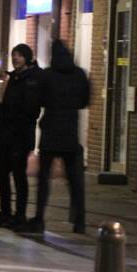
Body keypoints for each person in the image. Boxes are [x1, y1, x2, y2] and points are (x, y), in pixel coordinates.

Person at [18, 39, 89, 234]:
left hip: (50, 132)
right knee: (75, 180)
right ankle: (80, 221)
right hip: (70, 133)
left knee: (43, 180)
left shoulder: (47, 75)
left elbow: (37, 100)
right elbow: (84, 101)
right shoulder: (79, 75)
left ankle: (40, 218)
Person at [0, 43, 41, 228]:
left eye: (19, 55)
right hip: (6, 135)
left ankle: (20, 215)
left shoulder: (32, 79)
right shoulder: (14, 77)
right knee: (1, 174)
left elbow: (30, 111)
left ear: (27, 57)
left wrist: (4, 110)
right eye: (13, 55)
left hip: (20, 137)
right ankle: (5, 212)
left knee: (18, 176)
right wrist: (2, 109)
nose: (15, 58)